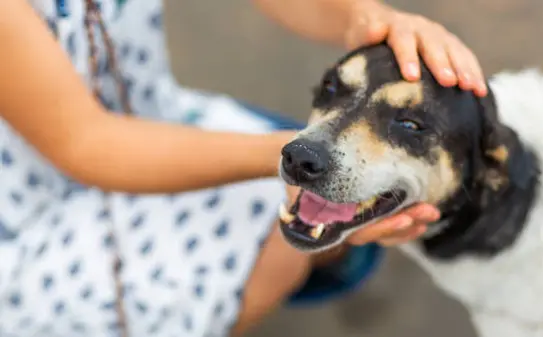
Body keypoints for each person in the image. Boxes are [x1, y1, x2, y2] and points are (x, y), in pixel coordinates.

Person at [0, 0, 486, 336]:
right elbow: (87, 144)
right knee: (286, 249)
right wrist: (300, 157)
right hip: (27, 211)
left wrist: (371, 19)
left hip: (146, 114)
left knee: (322, 214)